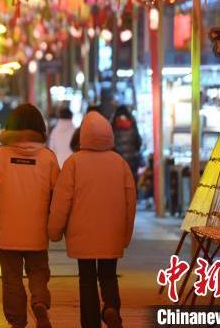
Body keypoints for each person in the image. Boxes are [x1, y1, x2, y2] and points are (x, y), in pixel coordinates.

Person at [48, 112, 137, 328]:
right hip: (111, 233)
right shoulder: (120, 163)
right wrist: (125, 235)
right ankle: (111, 308)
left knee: (87, 280)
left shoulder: (73, 163)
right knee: (109, 275)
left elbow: (61, 201)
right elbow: (130, 203)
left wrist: (54, 231)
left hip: (82, 235)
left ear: (83, 136)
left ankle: (90, 323)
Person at [0, 103, 60, 328]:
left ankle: (17, 321)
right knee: (38, 272)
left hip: (7, 233)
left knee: (11, 279)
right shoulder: (48, 158)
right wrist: (57, 228)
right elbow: (58, 198)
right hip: (37, 231)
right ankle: (39, 301)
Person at [111, 105, 143, 183]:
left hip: (118, 163)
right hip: (132, 163)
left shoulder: (113, 124)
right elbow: (138, 142)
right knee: (132, 183)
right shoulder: (132, 123)